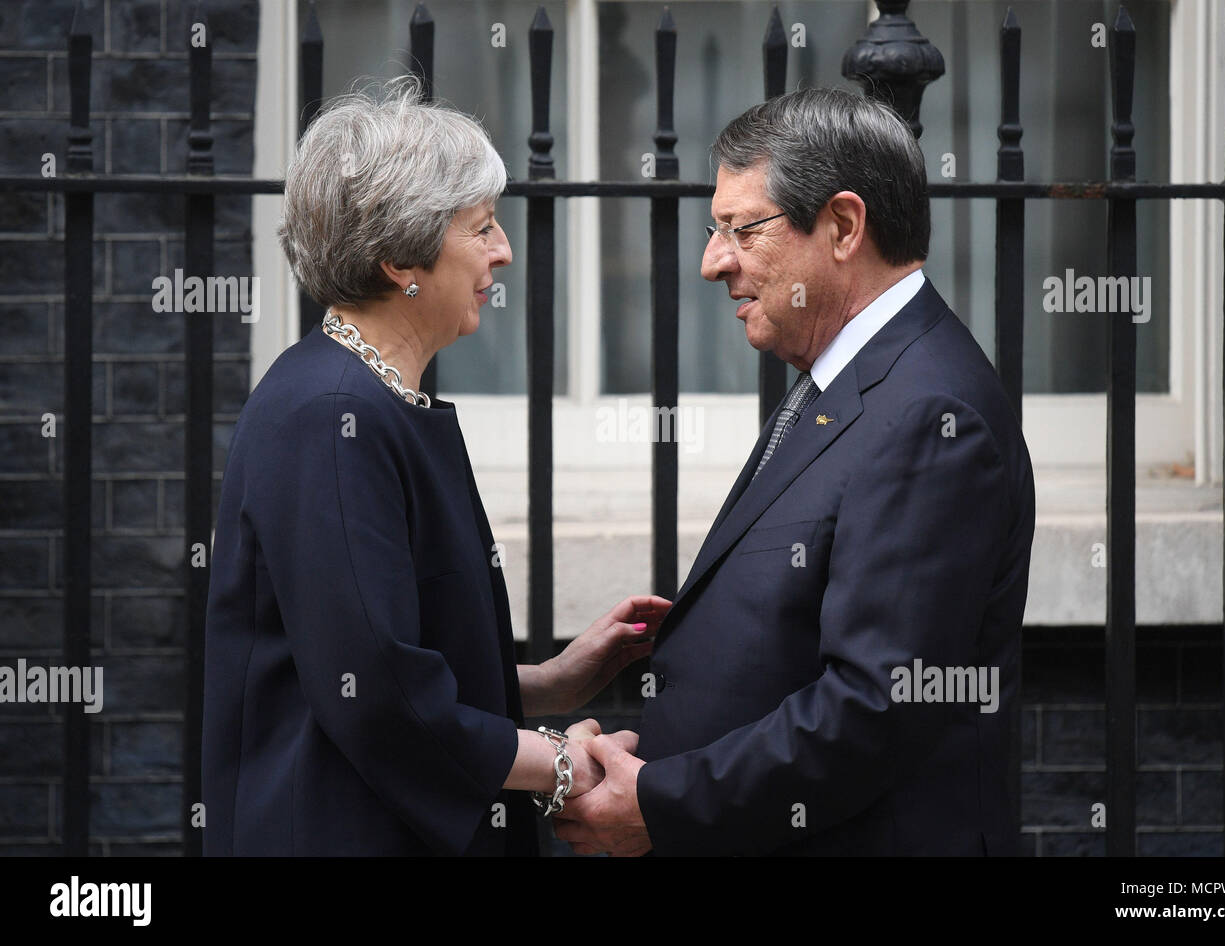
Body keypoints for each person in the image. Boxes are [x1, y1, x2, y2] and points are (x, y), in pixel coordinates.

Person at [555, 88, 1037, 856]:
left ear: (844, 226)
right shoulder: (848, 376)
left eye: (742, 229)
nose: (714, 262)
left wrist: (662, 801)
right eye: (716, 230)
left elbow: (874, 708)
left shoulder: (928, 415)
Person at [201, 78, 668, 856]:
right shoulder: (331, 416)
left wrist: (548, 681)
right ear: (398, 258)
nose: (503, 250)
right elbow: (378, 698)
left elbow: (370, 659)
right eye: (481, 227)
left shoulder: (370, 399)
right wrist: (562, 765)